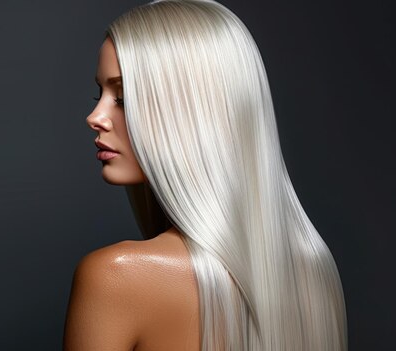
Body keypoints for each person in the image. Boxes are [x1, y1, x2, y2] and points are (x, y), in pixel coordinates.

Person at [63, 1, 348, 350]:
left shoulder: (116, 275)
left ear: (194, 112)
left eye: (122, 97)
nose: (95, 116)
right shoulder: (313, 268)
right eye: (100, 93)